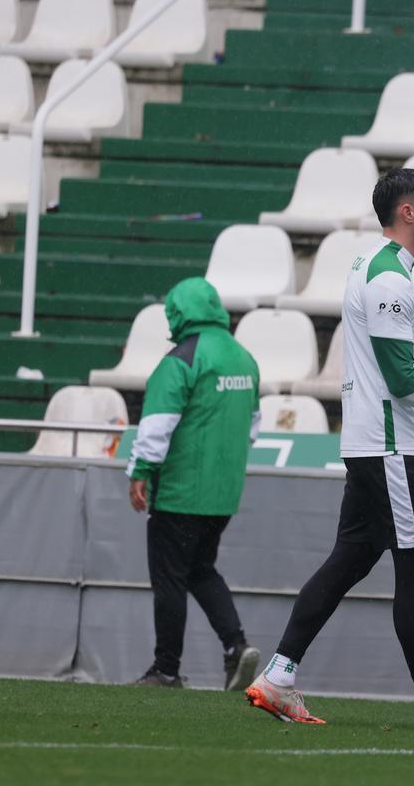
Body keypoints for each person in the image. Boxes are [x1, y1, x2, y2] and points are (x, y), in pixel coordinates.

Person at [244, 168, 414, 731]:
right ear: (408, 211)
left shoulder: (372, 267)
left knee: (349, 560)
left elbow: (398, 376)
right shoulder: (390, 280)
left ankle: (277, 677)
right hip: (392, 451)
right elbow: (401, 378)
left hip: (373, 444)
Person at [127, 276, 262, 691]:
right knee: (200, 569)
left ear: (177, 313)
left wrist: (141, 472)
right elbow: (252, 428)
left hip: (181, 491)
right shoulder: (244, 359)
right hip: (223, 493)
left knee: (169, 578)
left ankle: (166, 669)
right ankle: (236, 647)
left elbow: (157, 426)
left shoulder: (180, 360)